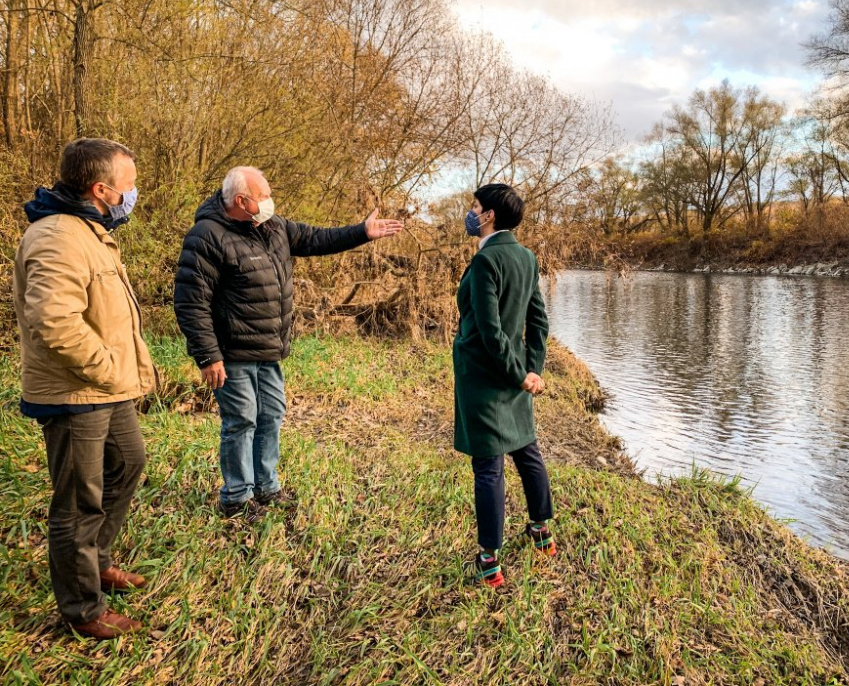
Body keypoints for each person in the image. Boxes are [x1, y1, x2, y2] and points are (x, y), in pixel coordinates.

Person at [173, 166, 403, 522]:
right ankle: (236, 498)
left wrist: (362, 232)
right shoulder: (206, 236)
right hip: (232, 353)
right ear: (240, 201)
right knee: (241, 421)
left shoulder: (274, 227)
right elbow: (191, 302)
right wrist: (207, 355)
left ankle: (266, 488)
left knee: (271, 418)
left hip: (270, 349)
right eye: (262, 196)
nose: (269, 201)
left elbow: (317, 239)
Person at [13, 138, 156, 639]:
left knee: (129, 463)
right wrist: (107, 367)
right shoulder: (57, 236)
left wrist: (117, 372)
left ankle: (95, 562)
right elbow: (53, 323)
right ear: (101, 189)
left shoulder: (89, 231)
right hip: (76, 393)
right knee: (77, 503)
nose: (134, 193)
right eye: (129, 185)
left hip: (104, 388)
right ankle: (82, 610)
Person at [453, 183, 555, 588]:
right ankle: (541, 531)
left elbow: (492, 333)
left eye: (475, 207)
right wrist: (532, 371)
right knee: (525, 448)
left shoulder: (486, 262)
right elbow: (539, 321)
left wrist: (518, 374)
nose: (471, 212)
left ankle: (489, 561)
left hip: (484, 374)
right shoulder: (526, 257)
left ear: (490, 215)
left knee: (488, 466)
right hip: (517, 374)